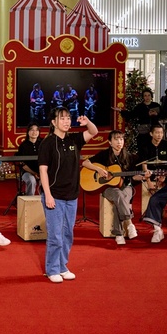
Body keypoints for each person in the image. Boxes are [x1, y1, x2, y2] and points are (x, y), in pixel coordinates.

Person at [38, 107, 98, 283]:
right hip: (54, 195)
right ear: (53, 122)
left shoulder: (74, 139)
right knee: (55, 235)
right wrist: (48, 195)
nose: (66, 121)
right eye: (62, 118)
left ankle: (62, 266)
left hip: (72, 195)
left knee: (67, 234)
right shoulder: (47, 143)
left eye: (68, 118)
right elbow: (43, 171)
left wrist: (87, 122)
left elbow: (93, 132)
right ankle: (52, 269)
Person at [82, 130, 148, 245]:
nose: (119, 142)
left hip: (126, 186)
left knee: (120, 198)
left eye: (121, 139)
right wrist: (99, 170)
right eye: (116, 139)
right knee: (118, 194)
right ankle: (129, 223)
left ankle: (119, 234)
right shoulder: (104, 154)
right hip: (108, 188)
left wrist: (143, 177)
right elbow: (85, 163)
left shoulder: (129, 157)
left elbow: (133, 177)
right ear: (110, 142)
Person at [137, 124, 167, 195]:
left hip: (164, 174)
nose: (159, 135)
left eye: (161, 133)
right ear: (151, 134)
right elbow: (144, 164)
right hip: (150, 175)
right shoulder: (145, 146)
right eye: (157, 133)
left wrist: (164, 176)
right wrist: (148, 181)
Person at [16, 122, 42, 195]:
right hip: (27, 171)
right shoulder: (23, 146)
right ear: (28, 132)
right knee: (31, 180)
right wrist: (34, 173)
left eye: (36, 130)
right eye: (32, 130)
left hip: (41, 171)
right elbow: (23, 164)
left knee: (45, 181)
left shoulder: (43, 143)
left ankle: (43, 199)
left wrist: (41, 173)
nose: (34, 132)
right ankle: (29, 199)